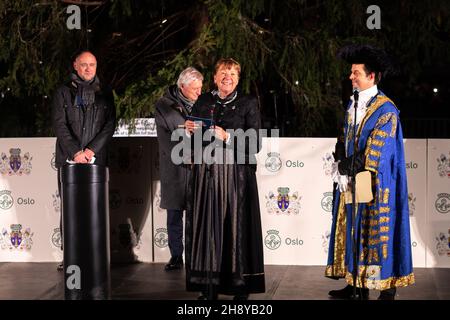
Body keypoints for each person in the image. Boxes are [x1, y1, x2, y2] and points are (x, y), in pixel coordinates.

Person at [325, 44, 414, 300]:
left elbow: (375, 153)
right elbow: (343, 136)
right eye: (351, 72)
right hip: (355, 178)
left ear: (371, 76)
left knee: (376, 234)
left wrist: (344, 167)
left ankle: (387, 288)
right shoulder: (353, 103)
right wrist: (340, 161)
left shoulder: (387, 111)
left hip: (377, 182)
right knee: (355, 229)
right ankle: (356, 284)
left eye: (356, 73)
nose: (351, 77)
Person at [185, 58, 265, 300]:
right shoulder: (205, 101)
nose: (227, 76)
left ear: (238, 78)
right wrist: (190, 131)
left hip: (236, 178)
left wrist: (227, 136)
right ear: (215, 77)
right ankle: (209, 287)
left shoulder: (248, 102)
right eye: (222, 72)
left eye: (232, 73)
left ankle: (240, 287)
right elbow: (196, 141)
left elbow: (255, 144)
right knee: (208, 230)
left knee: (234, 230)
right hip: (207, 176)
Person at [52, 50, 116, 271]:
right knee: (70, 210)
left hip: (95, 160)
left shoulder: (105, 93)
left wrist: (90, 150)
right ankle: (70, 257)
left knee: (95, 210)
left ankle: (94, 256)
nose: (89, 68)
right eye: (84, 64)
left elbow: (110, 126)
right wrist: (75, 152)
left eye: (93, 64)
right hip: (69, 161)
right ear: (75, 66)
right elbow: (60, 125)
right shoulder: (63, 92)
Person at [155, 67, 204, 271]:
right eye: (195, 89)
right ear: (182, 87)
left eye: (201, 88)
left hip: (198, 167)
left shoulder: (204, 104)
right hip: (174, 167)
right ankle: (176, 255)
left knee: (196, 213)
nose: (199, 93)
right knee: (174, 214)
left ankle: (195, 254)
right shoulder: (163, 106)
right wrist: (187, 154)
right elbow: (166, 140)